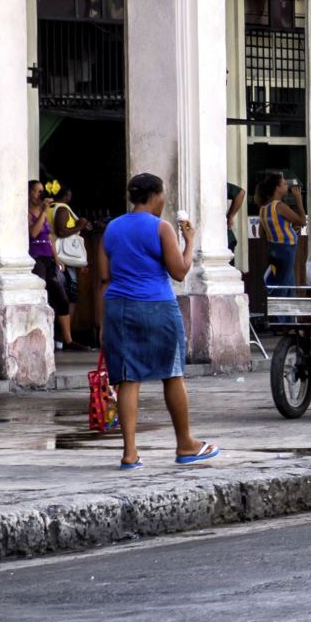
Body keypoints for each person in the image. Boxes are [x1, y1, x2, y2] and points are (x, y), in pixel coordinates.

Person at [101, 173, 218, 469]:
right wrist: (189, 242)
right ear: (155, 195)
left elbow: (104, 275)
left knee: (128, 377)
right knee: (172, 373)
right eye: (163, 194)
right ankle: (186, 444)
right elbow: (179, 271)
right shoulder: (161, 227)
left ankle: (130, 453)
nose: (164, 200)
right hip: (156, 305)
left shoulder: (112, 228)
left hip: (118, 305)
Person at [27, 180, 73, 350]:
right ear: (29, 193)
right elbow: (33, 233)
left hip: (48, 258)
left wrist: (57, 258)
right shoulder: (27, 212)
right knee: (41, 297)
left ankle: (67, 340)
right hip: (35, 257)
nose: (40, 195)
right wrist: (44, 211)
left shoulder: (43, 212)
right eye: (36, 191)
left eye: (41, 191)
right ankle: (39, 337)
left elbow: (50, 237)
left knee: (61, 297)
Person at [255, 171, 306, 290]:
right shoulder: (279, 206)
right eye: (284, 184)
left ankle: (287, 304)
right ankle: (281, 306)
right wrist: (298, 200)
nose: (287, 186)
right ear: (277, 188)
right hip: (287, 248)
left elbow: (262, 233)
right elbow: (302, 221)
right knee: (285, 283)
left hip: (273, 247)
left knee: (282, 279)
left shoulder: (263, 208)